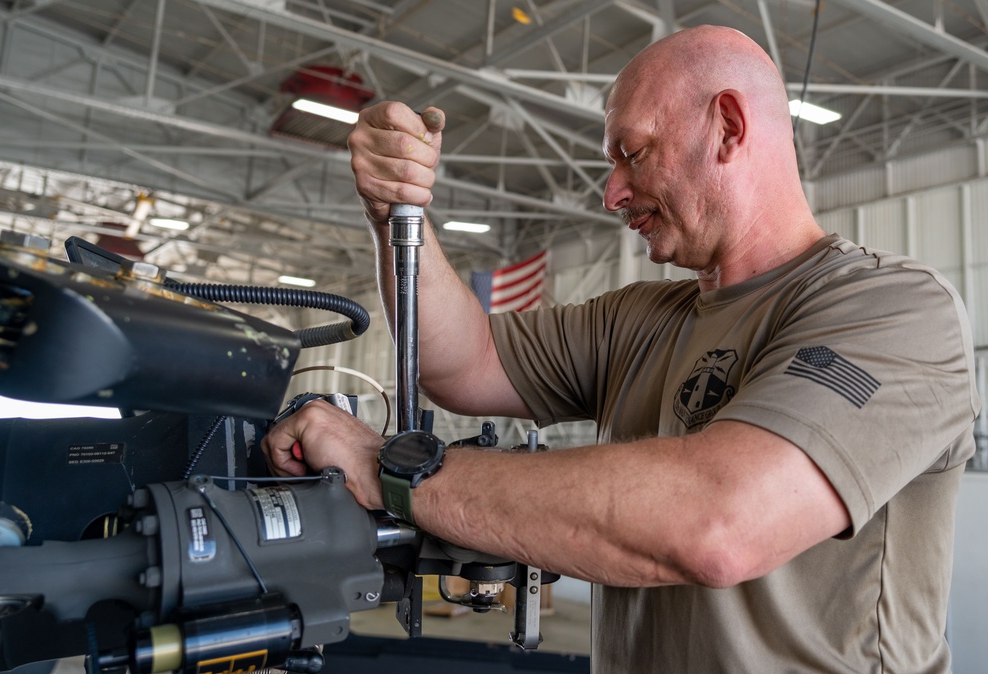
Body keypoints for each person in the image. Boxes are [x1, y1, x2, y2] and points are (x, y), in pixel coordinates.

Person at [262, 24, 980, 673]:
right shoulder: (640, 319)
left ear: (727, 127)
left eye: (633, 154)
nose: (612, 194)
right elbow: (466, 359)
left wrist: (386, 466)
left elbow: (716, 524)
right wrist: (397, 214)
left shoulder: (891, 310)